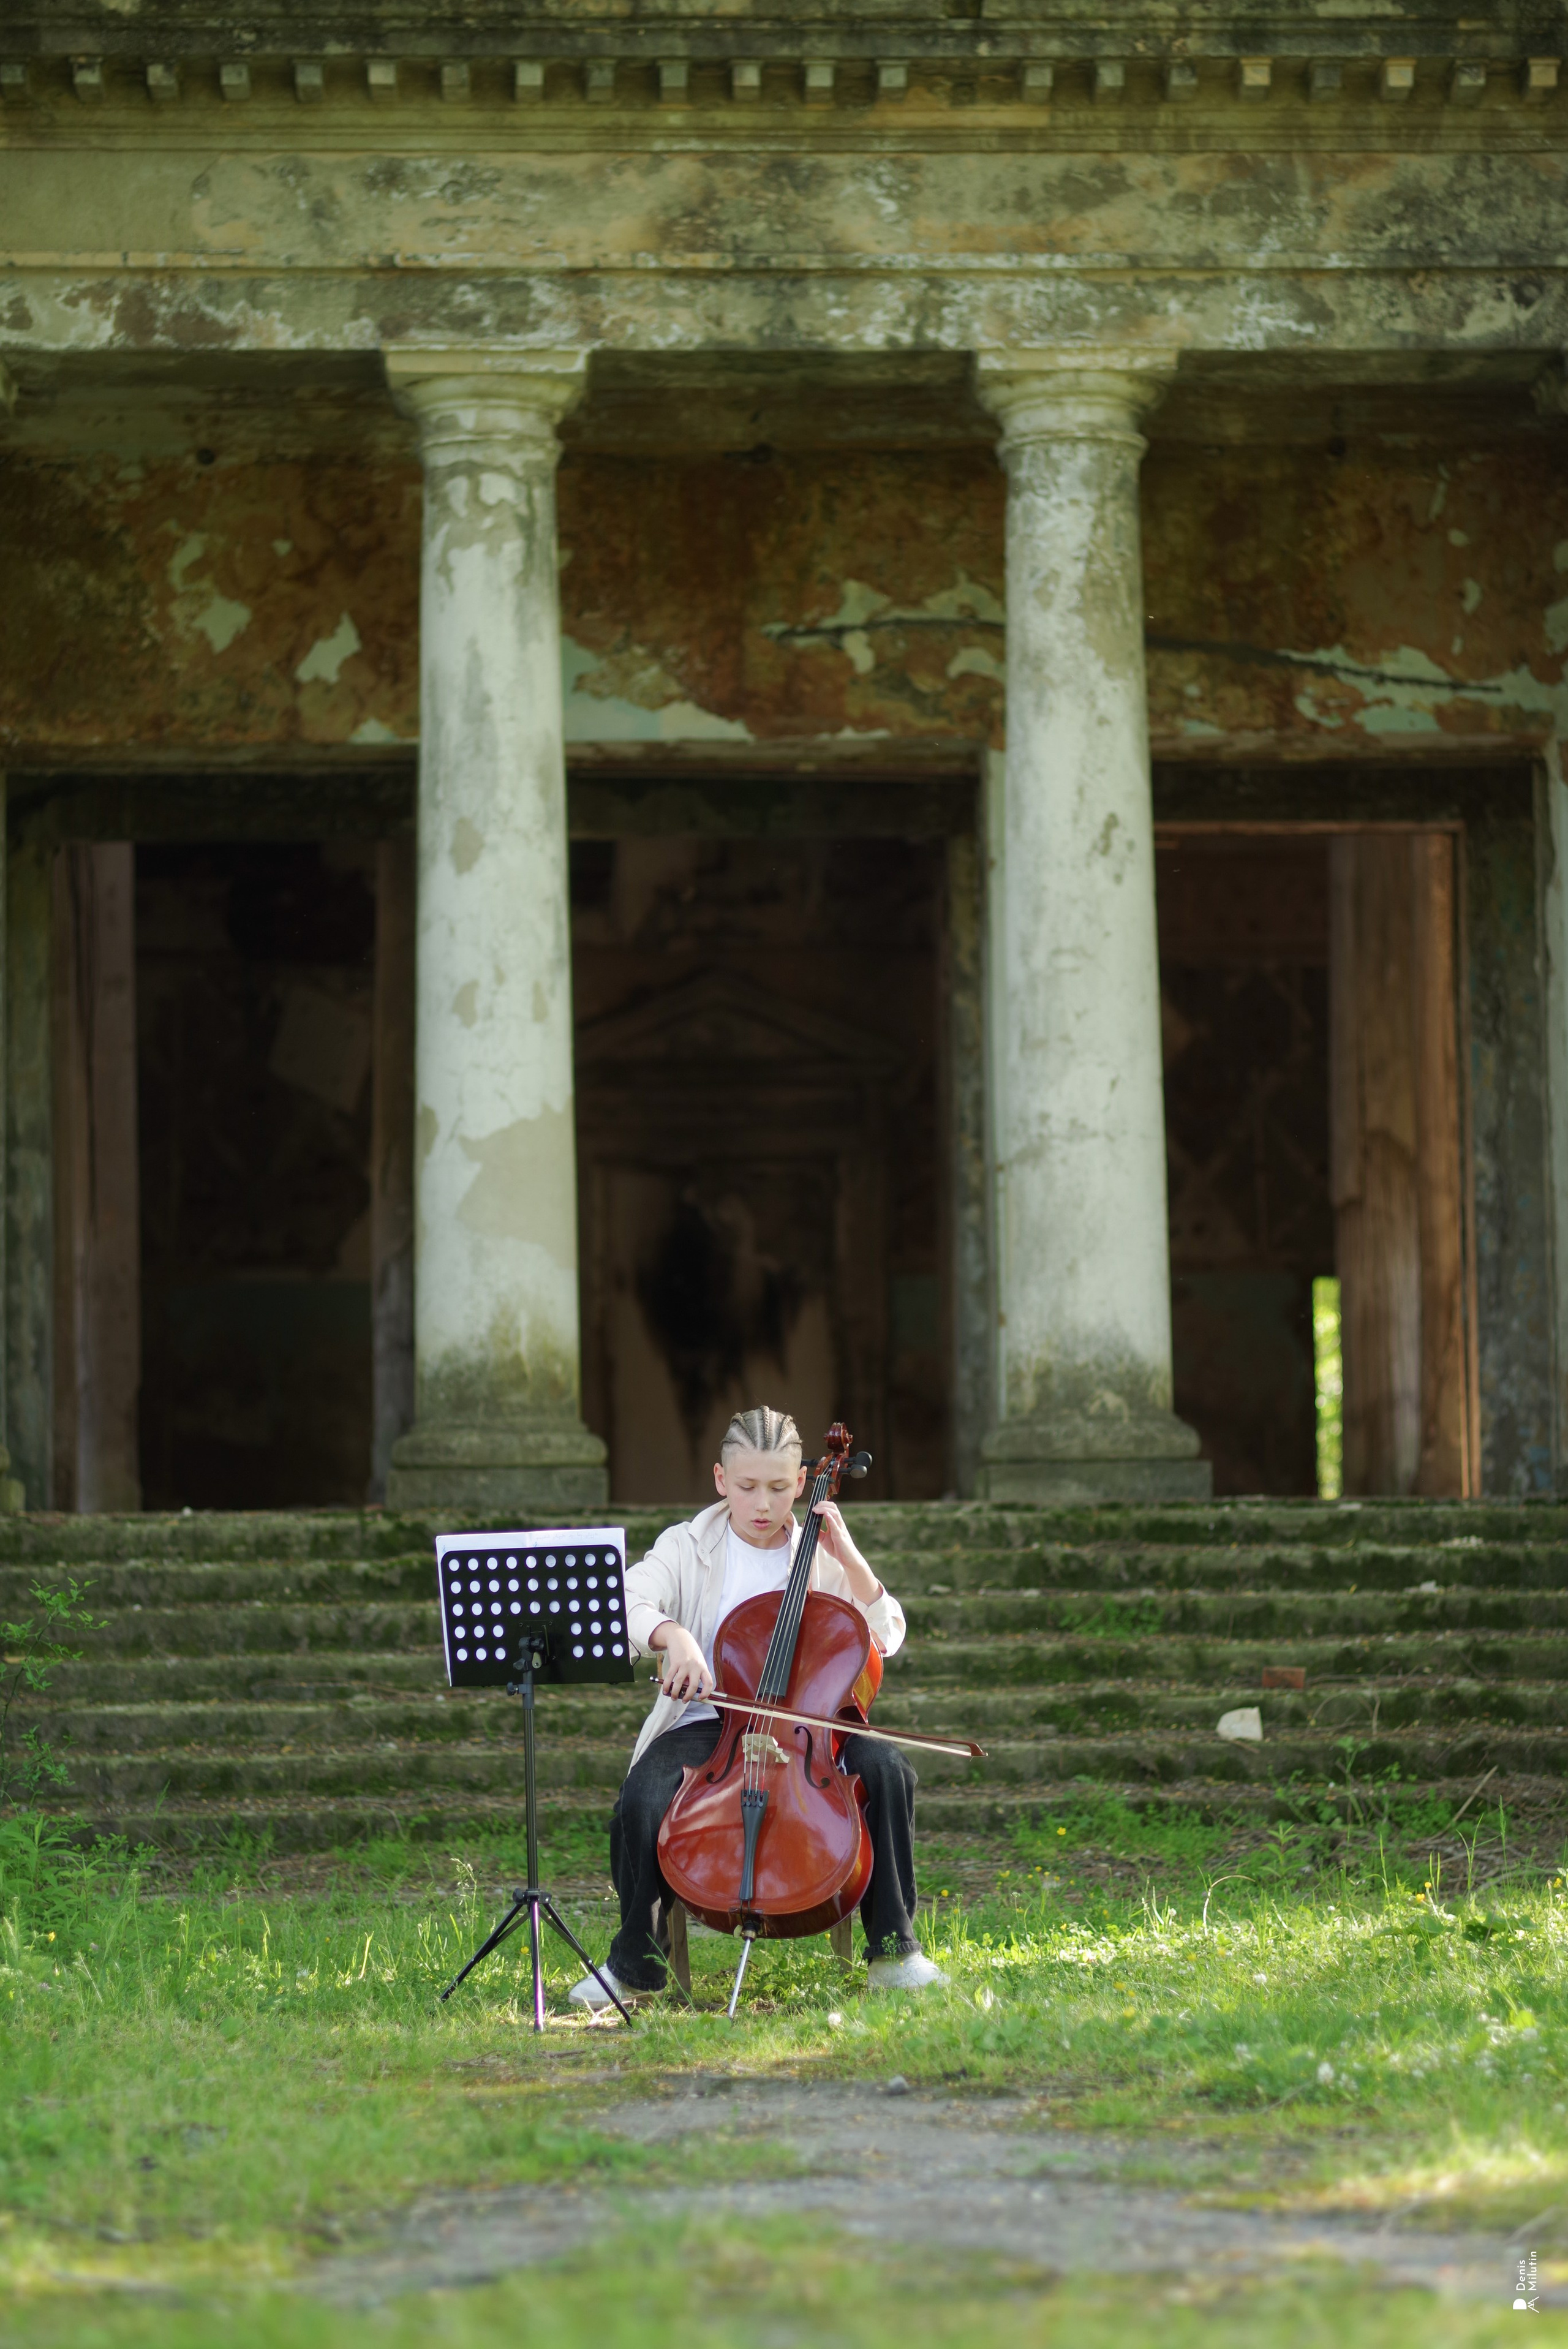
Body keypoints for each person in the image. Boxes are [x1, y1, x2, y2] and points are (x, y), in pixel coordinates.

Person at [568, 1404, 946, 2007]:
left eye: (778, 1487)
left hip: (807, 1728)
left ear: (802, 1481)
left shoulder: (820, 1555)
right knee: (644, 1794)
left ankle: (894, 1951)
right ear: (722, 1480)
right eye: (747, 1487)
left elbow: (887, 1634)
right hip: (710, 1723)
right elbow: (628, 1598)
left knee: (888, 1770)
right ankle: (635, 1964)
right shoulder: (686, 1545)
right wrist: (675, 1636)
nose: (763, 1503)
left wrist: (850, 1557)